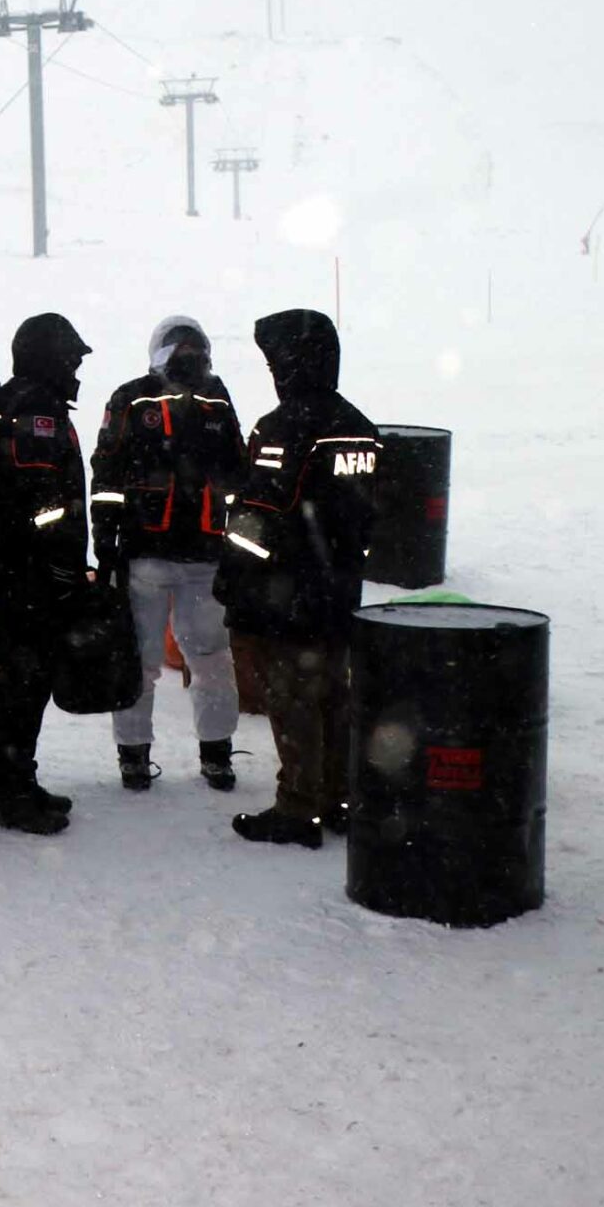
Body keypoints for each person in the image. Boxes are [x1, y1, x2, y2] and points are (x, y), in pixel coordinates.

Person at [216, 310, 381, 849]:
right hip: (340, 589)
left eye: (273, 360)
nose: (270, 371)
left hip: (286, 594)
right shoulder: (361, 428)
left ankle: (297, 807)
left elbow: (261, 512)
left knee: (292, 700)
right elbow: (371, 514)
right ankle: (337, 798)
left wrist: (234, 575)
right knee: (335, 695)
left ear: (290, 363)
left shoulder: (283, 428)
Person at [91, 316, 249, 792]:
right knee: (141, 660)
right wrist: (106, 542)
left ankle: (216, 753)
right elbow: (106, 471)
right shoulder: (131, 398)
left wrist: (237, 545)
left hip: (205, 553)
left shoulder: (217, 399)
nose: (188, 358)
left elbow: (237, 471)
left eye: (195, 349)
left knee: (211, 658)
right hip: (146, 553)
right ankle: (134, 755)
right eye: (179, 349)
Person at [0, 313, 96, 836]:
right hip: (33, 574)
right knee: (25, 680)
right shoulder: (36, 408)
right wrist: (64, 566)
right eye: (72, 359)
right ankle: (10, 791)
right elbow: (41, 503)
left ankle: (18, 777)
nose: (77, 370)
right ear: (50, 359)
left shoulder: (19, 400)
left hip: (22, 569)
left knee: (24, 681)